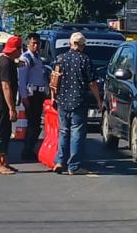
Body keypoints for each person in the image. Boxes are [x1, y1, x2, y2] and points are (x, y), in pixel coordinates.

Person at [53, 32, 103, 175]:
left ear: (70, 43)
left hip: (62, 101)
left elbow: (54, 79)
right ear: (81, 45)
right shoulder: (85, 60)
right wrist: (98, 100)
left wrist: (53, 97)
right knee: (77, 133)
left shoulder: (60, 59)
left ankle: (59, 161)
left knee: (63, 132)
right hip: (79, 101)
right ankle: (74, 166)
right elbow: (92, 83)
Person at [0, 35, 22, 175]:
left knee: (6, 133)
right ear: (15, 49)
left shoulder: (7, 61)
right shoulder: (5, 64)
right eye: (20, 48)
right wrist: (11, 108)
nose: (21, 51)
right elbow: (6, 86)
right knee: (0, 133)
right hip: (1, 104)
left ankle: (4, 162)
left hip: (3, 104)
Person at [17, 33, 48, 161]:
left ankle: (30, 149)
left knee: (35, 124)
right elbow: (21, 80)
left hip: (39, 94)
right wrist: (24, 98)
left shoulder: (37, 58)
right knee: (32, 124)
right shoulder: (25, 58)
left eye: (37, 43)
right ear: (28, 44)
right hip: (31, 94)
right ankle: (27, 151)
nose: (36, 45)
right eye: (33, 43)